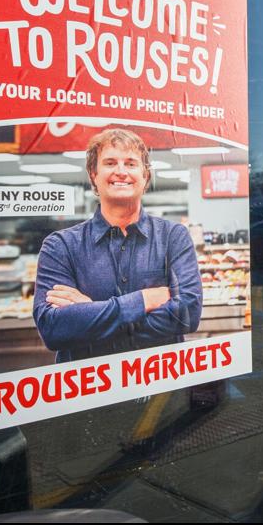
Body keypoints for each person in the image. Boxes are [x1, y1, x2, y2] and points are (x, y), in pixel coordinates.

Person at [33, 127, 202, 361]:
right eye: (110, 163)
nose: (121, 172)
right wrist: (145, 300)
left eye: (131, 163)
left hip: (159, 380)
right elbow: (53, 329)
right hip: (90, 383)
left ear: (145, 176)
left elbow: (187, 315)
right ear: (93, 174)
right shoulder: (60, 246)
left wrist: (91, 313)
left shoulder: (173, 237)